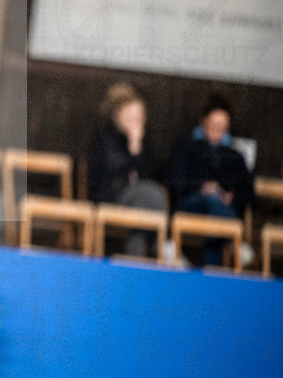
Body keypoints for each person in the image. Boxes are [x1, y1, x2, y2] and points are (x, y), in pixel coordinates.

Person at [167, 94, 254, 266]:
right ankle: (230, 244)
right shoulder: (186, 148)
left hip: (221, 207)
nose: (218, 130)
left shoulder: (234, 156)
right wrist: (201, 187)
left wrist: (232, 196)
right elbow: (174, 181)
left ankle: (215, 258)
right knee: (213, 199)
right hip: (190, 203)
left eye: (222, 127)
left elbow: (249, 191)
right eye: (214, 125)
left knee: (217, 203)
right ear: (203, 122)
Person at [87, 83, 167, 256]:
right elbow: (110, 174)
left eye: (139, 117)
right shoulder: (105, 137)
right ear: (118, 115)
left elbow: (150, 175)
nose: (136, 122)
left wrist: (138, 147)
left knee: (147, 201)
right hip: (110, 197)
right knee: (152, 194)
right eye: (131, 117)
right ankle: (160, 248)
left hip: (140, 202)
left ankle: (135, 258)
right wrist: (133, 148)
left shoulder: (144, 141)